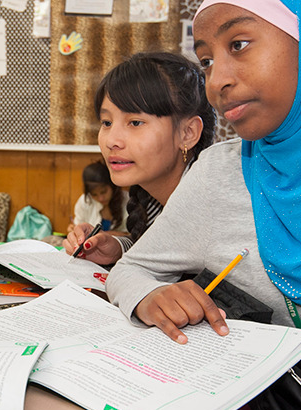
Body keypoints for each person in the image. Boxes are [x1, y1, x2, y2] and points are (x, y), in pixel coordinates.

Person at [106, 0, 301, 405]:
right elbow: (131, 270)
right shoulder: (221, 172)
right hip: (280, 404)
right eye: (205, 61)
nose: (216, 81)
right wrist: (150, 297)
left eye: (238, 44)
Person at [63, 52, 215, 266]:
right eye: (106, 123)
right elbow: (164, 252)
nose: (111, 141)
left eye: (135, 122)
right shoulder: (153, 198)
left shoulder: (210, 210)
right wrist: (118, 248)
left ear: (187, 133)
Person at [68, 159, 129, 236]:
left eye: (103, 192)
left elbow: (134, 236)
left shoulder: (128, 201)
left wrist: (103, 235)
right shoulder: (85, 201)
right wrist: (75, 231)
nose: (100, 198)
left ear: (112, 185)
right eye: (94, 194)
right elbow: (77, 226)